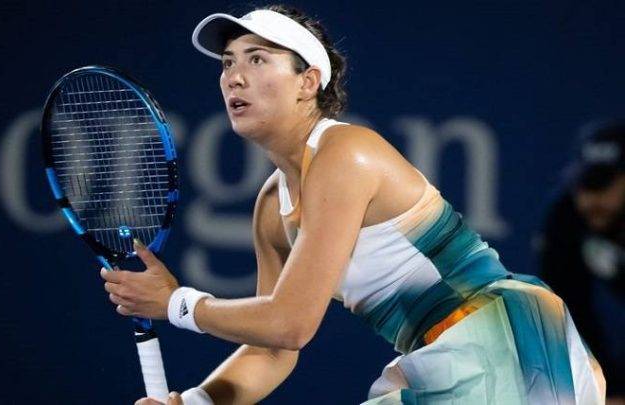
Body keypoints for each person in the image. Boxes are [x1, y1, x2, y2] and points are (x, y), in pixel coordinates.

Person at [101, 5, 606, 404]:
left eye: (257, 59)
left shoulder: (346, 151)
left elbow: (291, 322)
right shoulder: (271, 207)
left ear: (308, 82)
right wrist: (196, 401)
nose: (234, 76)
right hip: (456, 357)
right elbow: (272, 350)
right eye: (228, 62)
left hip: (505, 340)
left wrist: (177, 304)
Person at [539, 121, 625, 402]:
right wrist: (605, 387)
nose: (590, 198)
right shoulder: (566, 217)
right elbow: (566, 311)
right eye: (585, 183)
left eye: (603, 183)